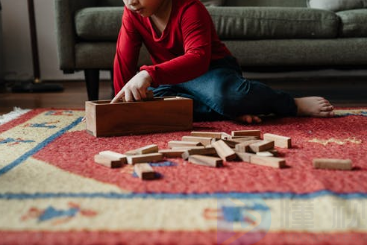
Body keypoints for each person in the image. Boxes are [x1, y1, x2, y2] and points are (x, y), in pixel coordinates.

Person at [111, 0, 334, 123]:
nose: (131, 1)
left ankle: (290, 104)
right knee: (150, 106)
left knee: (229, 95)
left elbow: (197, 60)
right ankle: (229, 111)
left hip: (210, 71)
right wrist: (119, 105)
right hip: (171, 79)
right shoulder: (132, 12)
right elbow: (124, 57)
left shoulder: (190, 8)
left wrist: (148, 73)